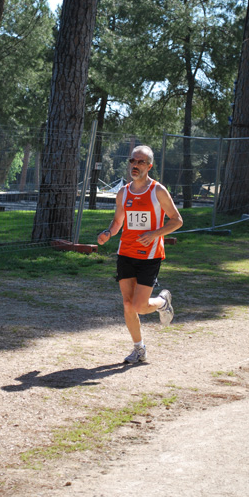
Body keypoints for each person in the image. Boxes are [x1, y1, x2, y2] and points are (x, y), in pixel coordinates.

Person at [97, 145, 183, 365]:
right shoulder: (123, 192)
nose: (135, 165)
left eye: (140, 162)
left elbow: (177, 220)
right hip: (126, 252)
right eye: (132, 161)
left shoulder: (158, 191)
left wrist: (155, 234)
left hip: (150, 255)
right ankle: (139, 349)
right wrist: (108, 233)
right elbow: (118, 222)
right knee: (127, 304)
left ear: (149, 166)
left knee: (139, 306)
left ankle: (162, 302)